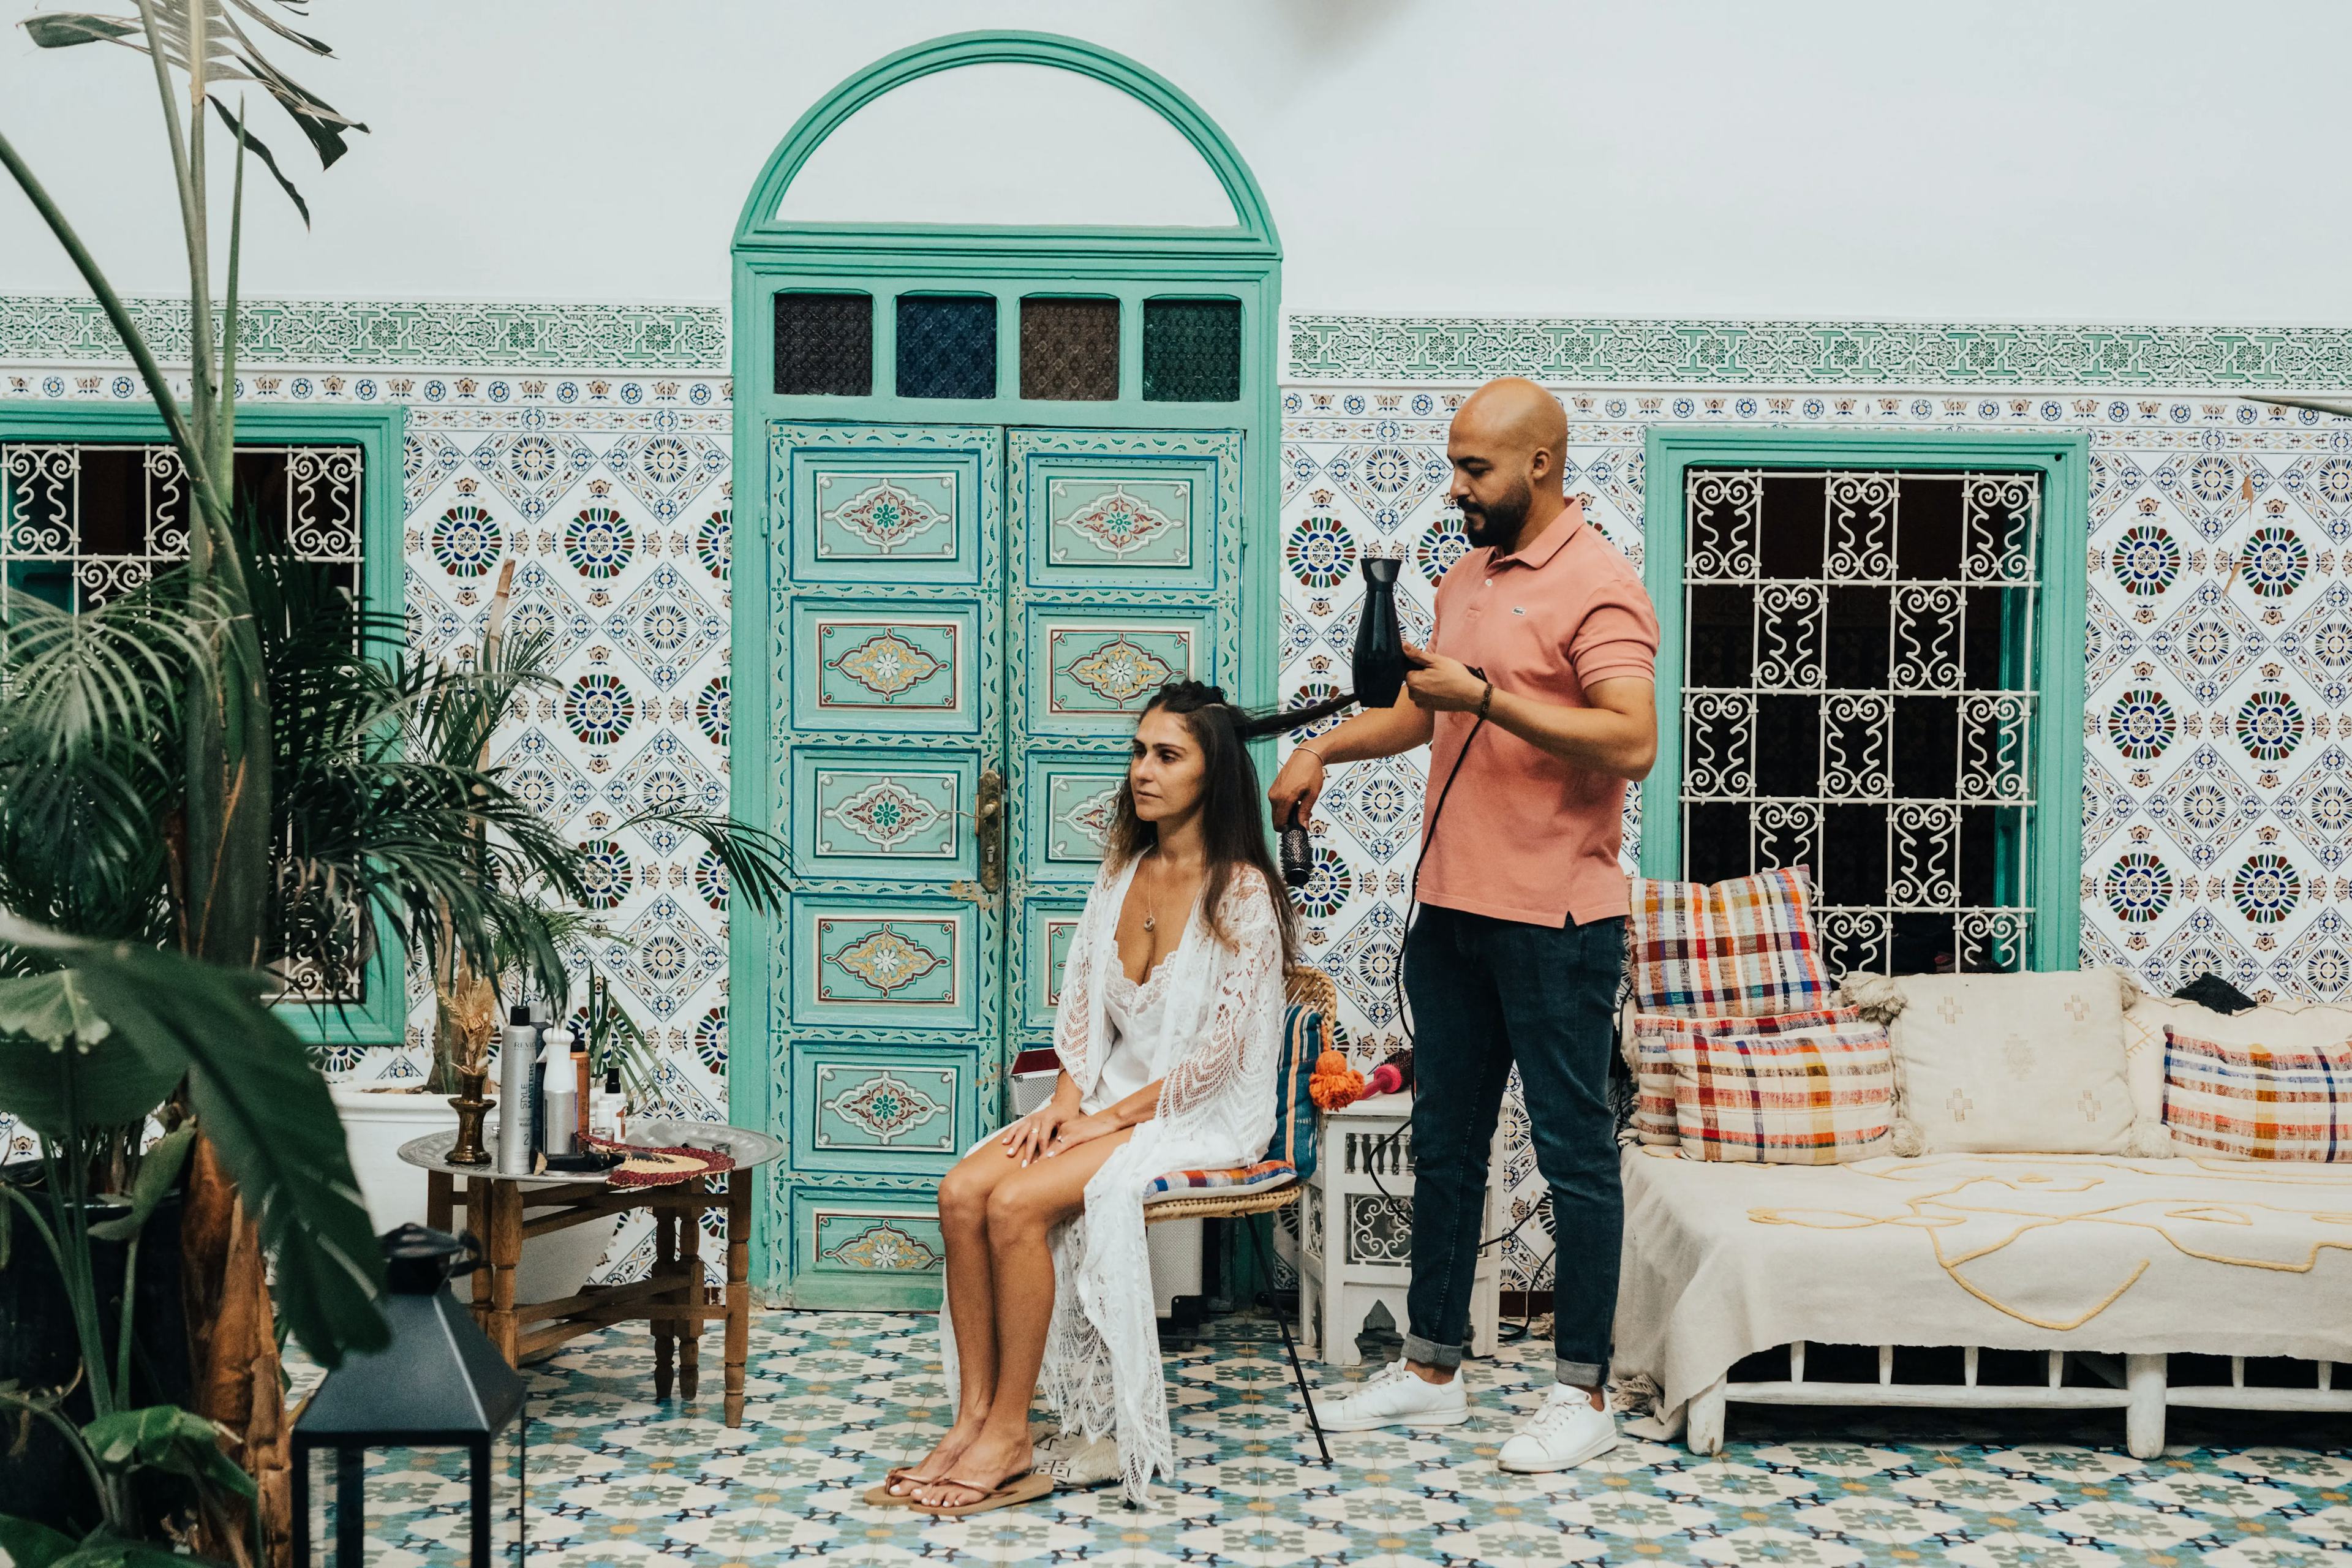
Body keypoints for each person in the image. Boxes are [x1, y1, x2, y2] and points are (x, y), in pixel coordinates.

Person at [1267, 376, 1660, 1472]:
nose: (1456, 487)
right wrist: (1321, 750)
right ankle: (1432, 1370)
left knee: (1576, 1155)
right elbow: (1419, 708)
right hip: (1452, 914)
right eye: (1452, 464)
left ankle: (1581, 1394)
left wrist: (1486, 697)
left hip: (1557, 922)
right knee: (1445, 1146)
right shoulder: (1469, 574)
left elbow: (1630, 739)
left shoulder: (1600, 586)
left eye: (1474, 468)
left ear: (1540, 464)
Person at [879, 680, 1324, 1513]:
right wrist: (1062, 1101)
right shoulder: (1126, 872)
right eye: (1137, 751)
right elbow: (1083, 1007)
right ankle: (973, 1416)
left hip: (1199, 1113)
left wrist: (1101, 1120)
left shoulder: (1245, 895)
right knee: (963, 1188)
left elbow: (1219, 1058)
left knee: (1014, 1204)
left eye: (1167, 755)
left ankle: (1012, 1432)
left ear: (1212, 772)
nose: (1142, 772)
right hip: (1106, 1101)